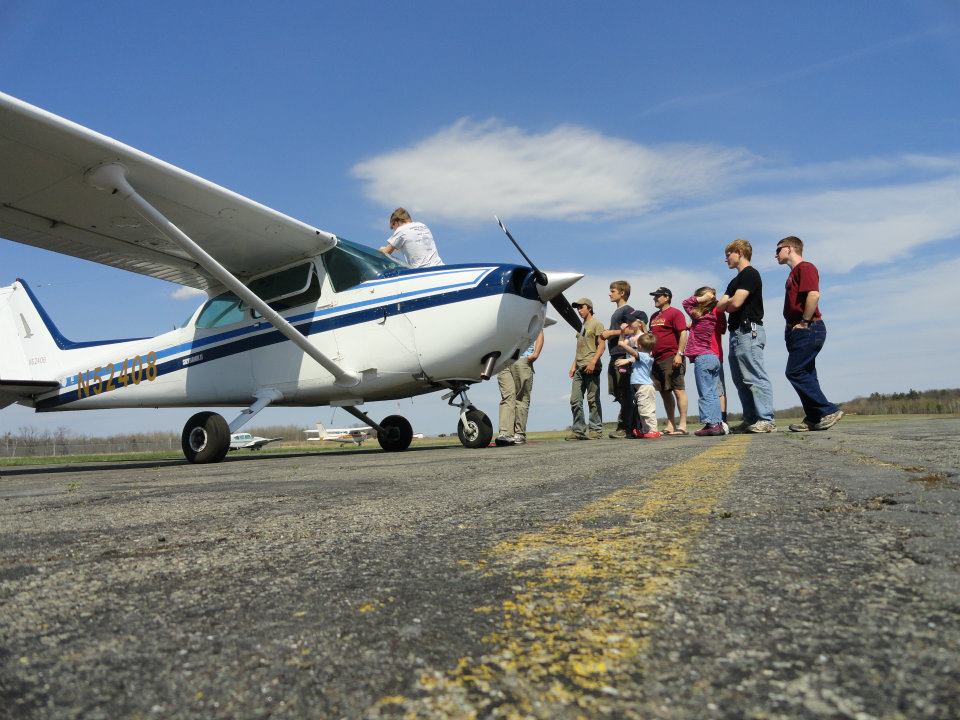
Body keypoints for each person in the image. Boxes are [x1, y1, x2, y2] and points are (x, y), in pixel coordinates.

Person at [775, 236, 843, 432]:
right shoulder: (795, 272)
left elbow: (814, 294)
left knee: (794, 371)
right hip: (796, 330)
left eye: (778, 250)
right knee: (807, 373)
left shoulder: (806, 268)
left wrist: (804, 322)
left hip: (809, 327)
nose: (776, 255)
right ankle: (814, 417)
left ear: (789, 249)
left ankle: (827, 410)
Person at [716, 239, 776, 433]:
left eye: (728, 254)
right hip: (736, 334)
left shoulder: (750, 274)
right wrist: (729, 302)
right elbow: (719, 306)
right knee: (740, 380)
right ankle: (750, 419)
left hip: (749, 331)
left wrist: (729, 302)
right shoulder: (734, 281)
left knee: (754, 376)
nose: (726, 259)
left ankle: (766, 419)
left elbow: (733, 305)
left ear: (739, 252)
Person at [599, 281, 645, 438]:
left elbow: (636, 327)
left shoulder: (627, 310)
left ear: (622, 293)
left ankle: (625, 428)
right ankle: (635, 425)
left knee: (625, 391)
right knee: (617, 391)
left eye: (612, 291)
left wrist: (611, 332)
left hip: (622, 354)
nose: (610, 293)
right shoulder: (617, 312)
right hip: (614, 354)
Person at [682, 287, 727, 436]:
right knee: (713, 392)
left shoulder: (698, 314)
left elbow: (686, 303)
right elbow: (721, 328)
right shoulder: (712, 316)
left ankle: (711, 423)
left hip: (703, 358)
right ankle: (717, 424)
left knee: (705, 392)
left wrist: (703, 298)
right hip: (713, 357)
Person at [648, 287, 689, 435]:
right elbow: (651, 337)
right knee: (664, 392)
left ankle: (683, 425)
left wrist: (679, 353)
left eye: (657, 296)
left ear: (667, 297)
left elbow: (683, 333)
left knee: (678, 389)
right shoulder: (653, 317)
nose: (655, 298)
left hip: (671, 356)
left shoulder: (675, 313)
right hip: (656, 359)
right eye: (654, 296)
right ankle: (670, 424)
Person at [494, 331, 544, 446]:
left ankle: (519, 433)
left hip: (522, 358)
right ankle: (505, 433)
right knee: (507, 396)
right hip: (503, 360)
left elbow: (539, 331)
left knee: (521, 397)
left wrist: (535, 354)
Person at [566, 298, 605, 440]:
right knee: (575, 400)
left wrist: (593, 362)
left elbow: (601, 345)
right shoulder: (580, 326)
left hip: (591, 366)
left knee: (592, 399)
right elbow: (580, 348)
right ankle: (578, 430)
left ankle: (596, 430)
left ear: (589, 308)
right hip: (579, 367)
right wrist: (573, 366)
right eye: (577, 308)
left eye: (581, 307)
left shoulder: (597, 324)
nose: (579, 310)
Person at [616, 324, 661, 438]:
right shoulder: (643, 357)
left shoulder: (645, 356)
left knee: (647, 410)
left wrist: (623, 344)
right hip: (641, 388)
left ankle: (653, 430)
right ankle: (646, 430)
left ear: (639, 345)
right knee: (642, 409)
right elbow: (633, 357)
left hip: (645, 388)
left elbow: (633, 352)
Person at [378, 207, 443, 268]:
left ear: (396, 222)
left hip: (423, 271)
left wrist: (382, 249)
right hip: (440, 267)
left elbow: (386, 252)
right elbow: (415, 244)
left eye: (393, 227)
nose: (394, 230)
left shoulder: (401, 230)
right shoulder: (423, 226)